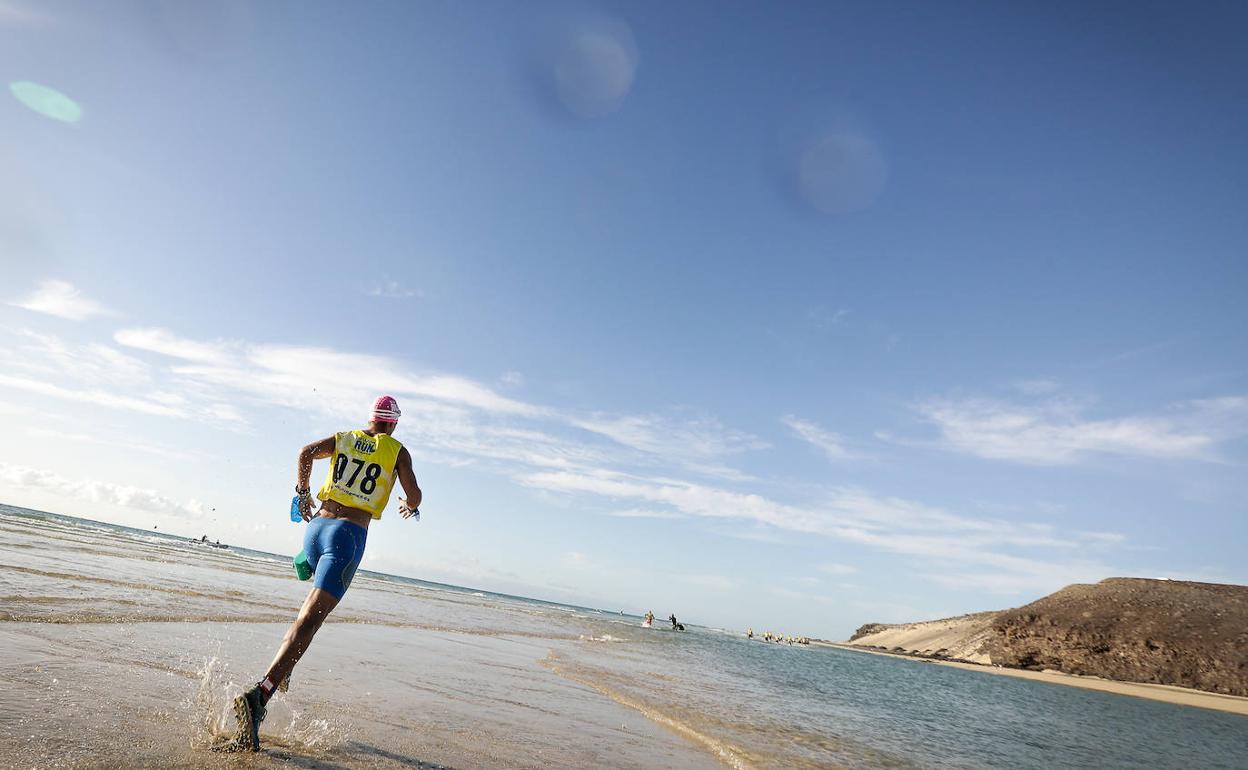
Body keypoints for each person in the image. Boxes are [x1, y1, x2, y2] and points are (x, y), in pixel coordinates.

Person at [230, 395, 422, 752]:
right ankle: (260, 695)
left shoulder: (345, 438)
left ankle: (284, 666)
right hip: (347, 537)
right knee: (310, 621)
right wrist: (409, 505)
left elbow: (305, 452)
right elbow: (414, 495)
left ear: (371, 418)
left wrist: (303, 492)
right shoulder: (398, 452)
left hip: (316, 529)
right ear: (393, 423)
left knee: (309, 606)